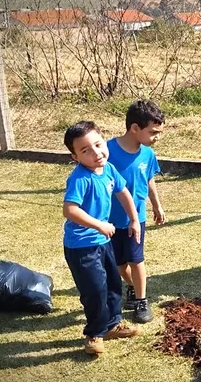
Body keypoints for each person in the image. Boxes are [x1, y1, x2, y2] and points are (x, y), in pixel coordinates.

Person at [61, 121, 142, 355]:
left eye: (98, 144)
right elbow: (70, 210)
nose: (96, 153)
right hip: (81, 246)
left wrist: (134, 220)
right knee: (95, 289)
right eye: (85, 150)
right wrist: (99, 225)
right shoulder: (79, 178)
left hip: (103, 242)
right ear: (75, 156)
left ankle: (113, 324)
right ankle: (94, 333)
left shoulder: (108, 169)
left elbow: (123, 192)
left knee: (113, 284)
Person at [107, 99, 165, 324]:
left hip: (136, 218)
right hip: (110, 220)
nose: (156, 137)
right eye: (153, 132)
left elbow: (149, 180)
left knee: (136, 259)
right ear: (134, 128)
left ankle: (141, 300)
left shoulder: (148, 154)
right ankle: (131, 286)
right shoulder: (107, 150)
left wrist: (156, 205)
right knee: (119, 263)